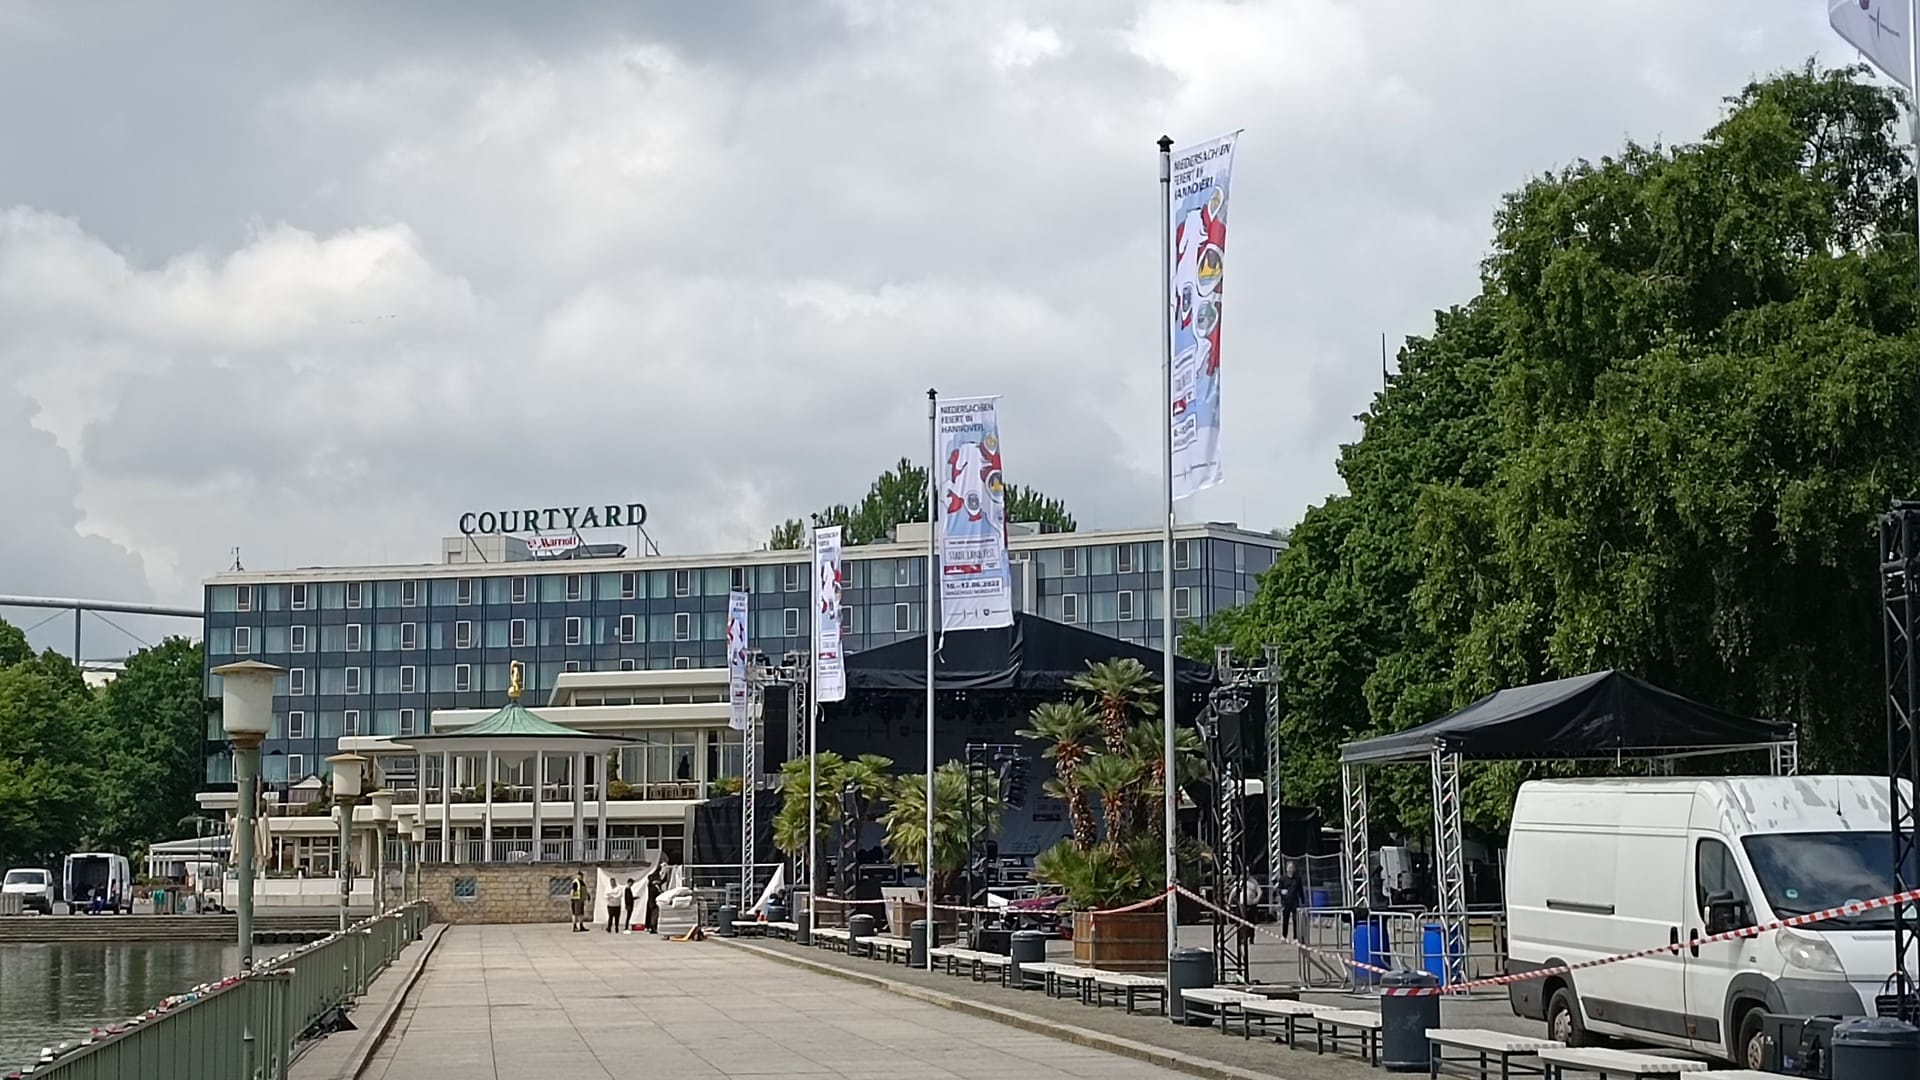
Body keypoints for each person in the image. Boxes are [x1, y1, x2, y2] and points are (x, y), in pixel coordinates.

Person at [1277, 861, 1304, 940]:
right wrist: (1281, 891)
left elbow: (1300, 890)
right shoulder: (1283, 878)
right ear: (1286, 869)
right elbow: (1278, 889)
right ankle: (1284, 936)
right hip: (1286, 902)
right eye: (1289, 868)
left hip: (1295, 901)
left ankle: (1296, 937)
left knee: (1296, 920)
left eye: (1292, 868)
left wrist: (1303, 901)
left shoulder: (1297, 878)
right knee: (1285, 919)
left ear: (1294, 869)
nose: (1291, 870)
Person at [644, 864, 665, 934]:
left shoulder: (651, 886)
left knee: (653, 915)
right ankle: (653, 927)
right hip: (654, 903)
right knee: (654, 915)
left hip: (651, 902)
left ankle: (651, 927)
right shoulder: (654, 887)